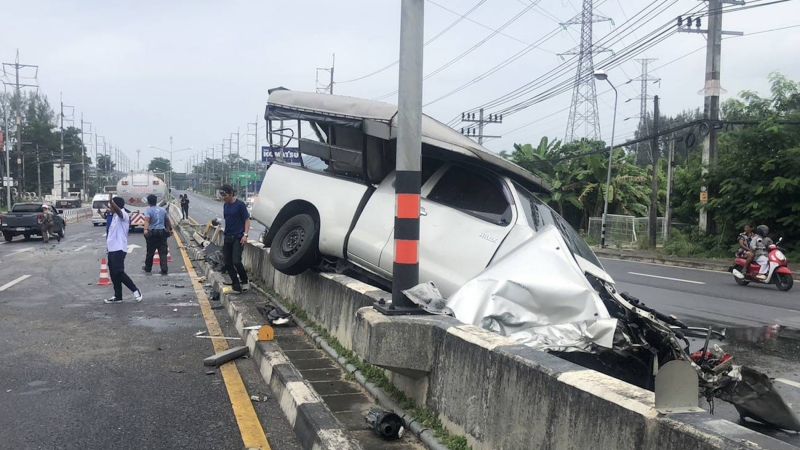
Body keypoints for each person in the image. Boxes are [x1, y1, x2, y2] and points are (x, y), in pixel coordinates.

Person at [104, 195, 143, 304]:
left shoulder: (123, 215)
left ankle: (135, 290)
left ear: (115, 205)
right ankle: (118, 296)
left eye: (111, 206)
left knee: (119, 272)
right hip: (111, 249)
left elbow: (119, 212)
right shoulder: (115, 216)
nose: (110, 208)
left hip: (119, 248)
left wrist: (112, 203)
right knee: (113, 273)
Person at [220, 184, 250, 293]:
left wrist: (245, 235)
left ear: (231, 193)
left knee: (236, 261)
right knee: (227, 262)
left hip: (238, 237)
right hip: (228, 237)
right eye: (222, 195)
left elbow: (247, 220)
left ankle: (245, 281)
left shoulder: (240, 205)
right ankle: (236, 285)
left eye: (225, 195)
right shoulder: (225, 205)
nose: (223, 197)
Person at [142, 194, 171, 275]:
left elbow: (147, 220)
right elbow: (167, 221)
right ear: (156, 201)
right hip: (162, 233)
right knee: (163, 252)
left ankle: (148, 268)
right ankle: (164, 269)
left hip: (153, 233)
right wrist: (170, 229)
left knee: (150, 252)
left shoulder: (148, 210)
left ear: (148, 202)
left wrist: (145, 230)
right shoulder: (163, 210)